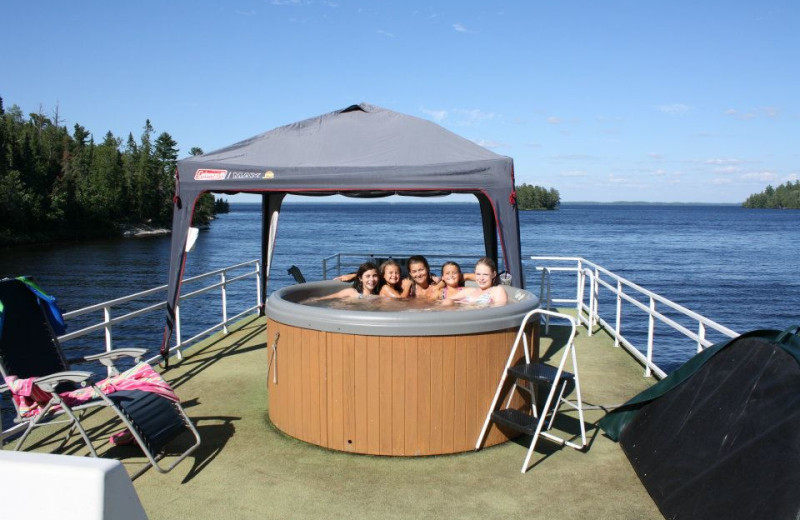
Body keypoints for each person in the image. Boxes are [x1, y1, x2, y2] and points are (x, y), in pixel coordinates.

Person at [443, 257, 508, 306]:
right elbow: (447, 300)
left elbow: (498, 311)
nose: (481, 278)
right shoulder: (469, 291)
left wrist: (472, 305)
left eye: (485, 274)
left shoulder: (497, 290)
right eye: (478, 274)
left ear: (494, 274)